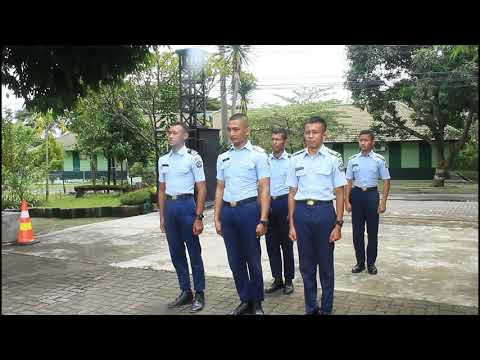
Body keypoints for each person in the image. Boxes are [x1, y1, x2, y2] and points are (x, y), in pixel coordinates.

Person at [287, 116, 346, 315]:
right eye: (307, 132)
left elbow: (339, 192)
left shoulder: (333, 158)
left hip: (324, 213)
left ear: (324, 134)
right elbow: (292, 193)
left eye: (315, 132)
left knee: (326, 265)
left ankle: (326, 308)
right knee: (306, 265)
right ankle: (311, 308)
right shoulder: (295, 159)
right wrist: (292, 224)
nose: (310, 136)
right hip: (302, 213)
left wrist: (338, 224)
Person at [214, 113, 271, 315]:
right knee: (234, 260)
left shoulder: (258, 155)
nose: (232, 133)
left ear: (247, 130)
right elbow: (220, 188)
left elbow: (265, 188)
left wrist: (263, 219)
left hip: (249, 211)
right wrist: (217, 217)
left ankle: (257, 302)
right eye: (229, 129)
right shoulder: (223, 157)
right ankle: (245, 299)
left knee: (252, 259)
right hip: (229, 213)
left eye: (236, 129)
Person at [158, 121, 207, 312]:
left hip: (187, 206)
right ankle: (185, 291)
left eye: (175, 133)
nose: (171, 136)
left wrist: (199, 217)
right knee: (176, 253)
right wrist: (162, 216)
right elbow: (161, 190)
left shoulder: (193, 158)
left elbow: (202, 188)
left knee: (194, 252)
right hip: (170, 208)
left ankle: (200, 293)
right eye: (169, 133)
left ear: (185, 136)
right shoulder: (163, 159)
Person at [345, 130, 391, 275]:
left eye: (366, 140)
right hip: (357, 195)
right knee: (357, 233)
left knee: (372, 232)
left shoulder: (379, 160)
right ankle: (360, 263)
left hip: (372, 195)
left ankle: (371, 263)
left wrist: (383, 202)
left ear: (372, 142)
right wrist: (347, 201)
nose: (363, 143)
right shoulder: (353, 160)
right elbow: (348, 181)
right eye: (361, 140)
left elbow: (386, 181)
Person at [264, 128, 295, 295]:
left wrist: (292, 211)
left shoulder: (291, 160)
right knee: (271, 245)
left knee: (286, 245)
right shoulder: (265, 161)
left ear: (284, 141)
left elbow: (294, 188)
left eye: (278, 139)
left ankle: (289, 280)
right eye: (273, 139)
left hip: (284, 203)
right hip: (268, 204)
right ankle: (277, 279)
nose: (275, 142)